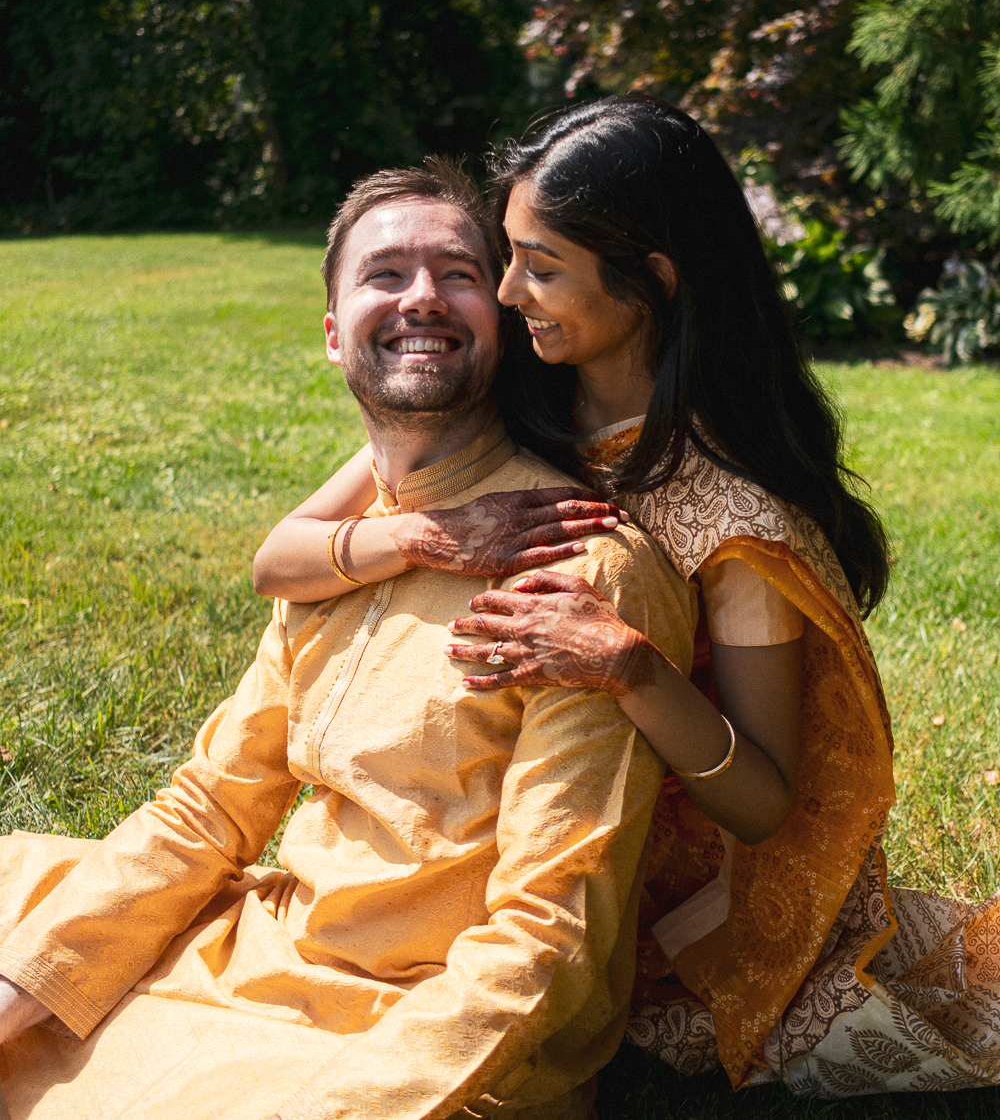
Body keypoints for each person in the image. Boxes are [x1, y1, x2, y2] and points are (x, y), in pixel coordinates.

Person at [257, 100, 1000, 1099]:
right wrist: (427, 534)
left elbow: (765, 804)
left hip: (649, 910)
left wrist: (630, 666)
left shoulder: (732, 520)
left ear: (653, 280)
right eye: (510, 257)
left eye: (542, 266)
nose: (508, 289)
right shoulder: (515, 392)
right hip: (490, 838)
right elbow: (280, 558)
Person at [0, 159, 698, 1120]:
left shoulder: (579, 574)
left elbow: (553, 936)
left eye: (457, 273)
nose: (421, 298)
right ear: (334, 336)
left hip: (418, 1042)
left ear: (508, 321)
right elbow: (209, 809)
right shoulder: (348, 547)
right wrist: (22, 998)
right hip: (266, 955)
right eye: (384, 274)